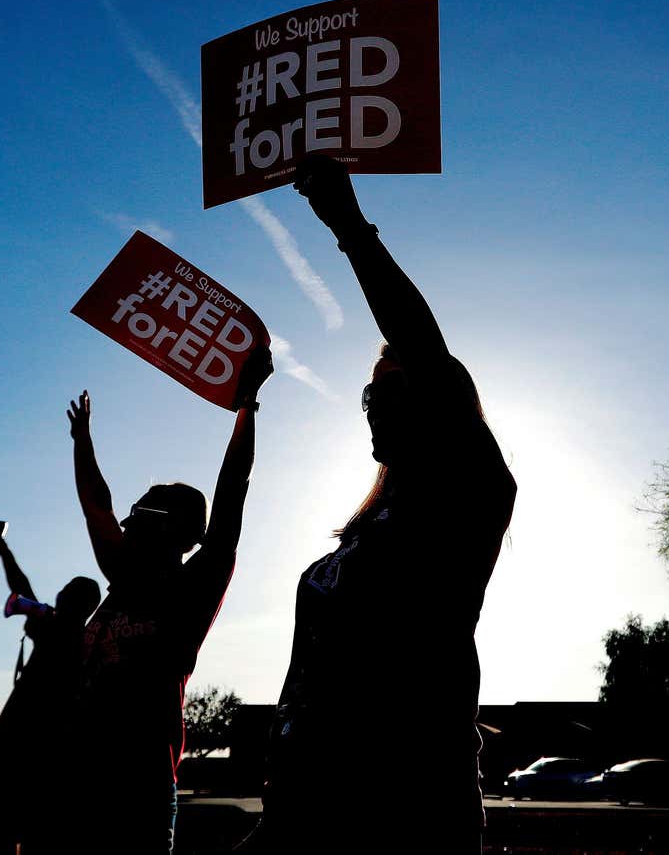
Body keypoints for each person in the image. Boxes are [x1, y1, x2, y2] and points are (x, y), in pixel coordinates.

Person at [247, 156, 517, 855]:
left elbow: (425, 349)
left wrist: (348, 227)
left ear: (441, 402)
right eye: (370, 392)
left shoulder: (468, 493)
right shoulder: (363, 531)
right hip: (307, 801)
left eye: (396, 388)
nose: (376, 402)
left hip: (405, 803)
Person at [72, 343, 271, 854]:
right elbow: (97, 505)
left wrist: (247, 406)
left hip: (136, 789)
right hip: (74, 780)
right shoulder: (121, 577)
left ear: (185, 535)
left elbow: (233, 489)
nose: (131, 518)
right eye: (136, 508)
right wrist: (82, 441)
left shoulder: (192, 588)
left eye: (150, 512)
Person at [0, 525, 101, 854]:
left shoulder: (59, 629)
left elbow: (22, 588)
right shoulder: (85, 639)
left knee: (3, 829)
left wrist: (3, 551)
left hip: (25, 741)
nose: (58, 594)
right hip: (55, 747)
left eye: (64, 590)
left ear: (71, 600)